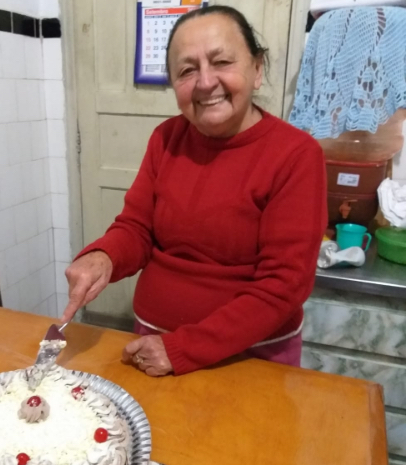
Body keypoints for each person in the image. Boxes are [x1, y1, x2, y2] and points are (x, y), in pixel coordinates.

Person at [61, 6, 327, 377]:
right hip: (152, 343)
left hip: (251, 355)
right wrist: (104, 256)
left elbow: (283, 286)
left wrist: (183, 349)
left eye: (221, 62)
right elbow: (137, 228)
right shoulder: (166, 138)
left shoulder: (296, 154)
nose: (204, 82)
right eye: (187, 70)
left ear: (257, 69)